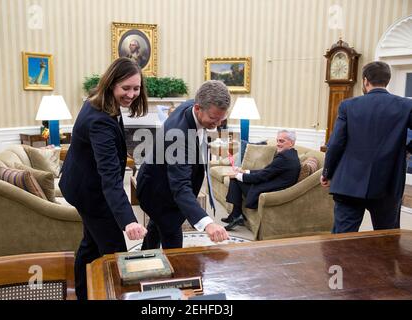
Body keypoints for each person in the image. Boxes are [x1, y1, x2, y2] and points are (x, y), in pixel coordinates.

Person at [58, 57, 148, 299]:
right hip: (91, 194)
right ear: (111, 85)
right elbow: (109, 179)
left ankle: (81, 293)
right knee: (114, 252)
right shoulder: (99, 121)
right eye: (125, 88)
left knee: (89, 246)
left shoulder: (98, 100)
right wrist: (129, 221)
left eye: (136, 88)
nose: (131, 94)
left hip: (80, 183)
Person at [136, 80, 231, 249]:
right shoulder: (178, 136)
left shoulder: (192, 106)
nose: (217, 125)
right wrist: (208, 224)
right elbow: (180, 187)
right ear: (197, 108)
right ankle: (175, 274)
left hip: (160, 178)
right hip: (156, 192)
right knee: (172, 237)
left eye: (221, 119)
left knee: (156, 228)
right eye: (213, 118)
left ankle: (144, 257)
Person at [320, 61, 412, 233]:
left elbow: (335, 144)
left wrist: (327, 172)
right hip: (388, 184)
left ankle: (339, 262)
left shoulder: (348, 106)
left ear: (365, 80)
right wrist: (406, 148)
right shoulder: (406, 106)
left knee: (342, 239)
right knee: (386, 239)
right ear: (387, 81)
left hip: (348, 184)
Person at [223, 130, 301, 230]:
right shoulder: (291, 155)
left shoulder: (284, 158)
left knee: (236, 179)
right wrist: (245, 171)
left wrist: (237, 175)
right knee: (237, 177)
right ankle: (235, 214)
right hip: (273, 184)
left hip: (272, 191)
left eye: (281, 141)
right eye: (277, 141)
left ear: (291, 143)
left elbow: (261, 177)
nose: (278, 144)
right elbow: (266, 171)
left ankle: (236, 214)